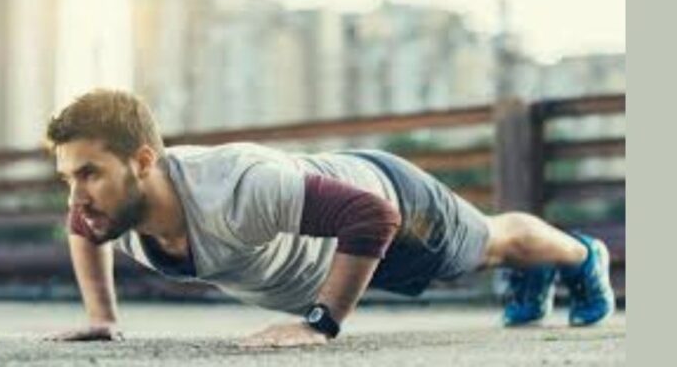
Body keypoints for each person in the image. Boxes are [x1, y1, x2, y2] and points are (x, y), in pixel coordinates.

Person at [43, 89, 615, 347]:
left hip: (391, 202)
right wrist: (102, 317)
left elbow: (372, 215)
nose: (77, 199)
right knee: (483, 257)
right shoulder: (109, 210)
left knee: (491, 241)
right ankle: (533, 273)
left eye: (89, 173)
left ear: (143, 162)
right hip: (340, 252)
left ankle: (582, 257)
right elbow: (81, 231)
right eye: (68, 178)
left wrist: (317, 324)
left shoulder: (239, 188)